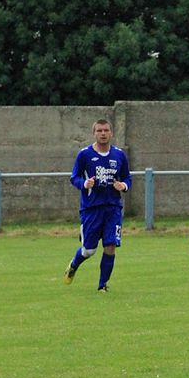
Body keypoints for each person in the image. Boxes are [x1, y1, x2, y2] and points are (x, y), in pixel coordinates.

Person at [63, 119, 131, 291]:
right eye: (99, 130)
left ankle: (102, 286)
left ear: (111, 133)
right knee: (89, 251)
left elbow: (127, 177)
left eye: (106, 130)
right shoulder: (84, 154)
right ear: (94, 133)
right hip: (91, 209)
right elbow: (74, 177)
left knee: (110, 245)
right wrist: (84, 184)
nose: (103, 133)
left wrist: (123, 186)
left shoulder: (119, 155)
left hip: (113, 208)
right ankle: (73, 264)